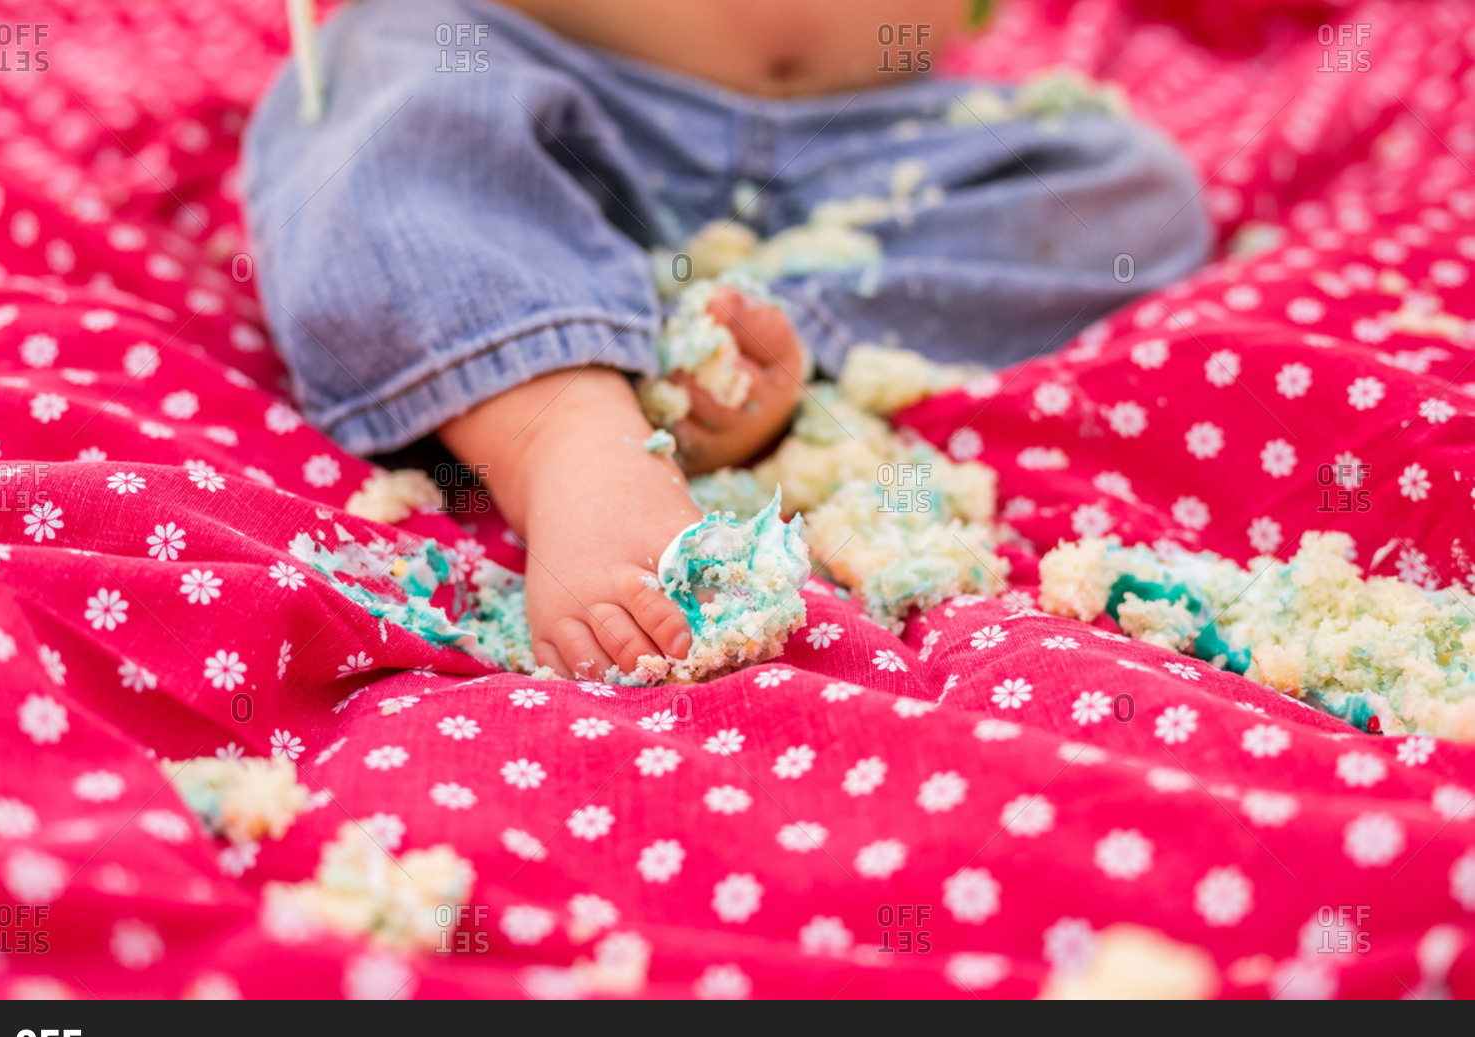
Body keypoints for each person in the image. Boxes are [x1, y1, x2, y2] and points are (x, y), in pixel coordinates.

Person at [245, 0, 1210, 679]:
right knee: (385, 76)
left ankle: (733, 351)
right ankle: (565, 425)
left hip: (875, 143)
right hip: (552, 94)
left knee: (1130, 187)